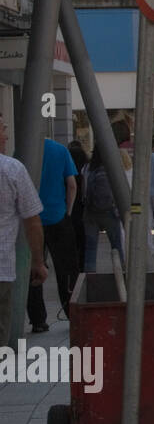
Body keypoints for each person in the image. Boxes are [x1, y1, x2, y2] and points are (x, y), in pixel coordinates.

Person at [0, 114, 47, 360]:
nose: (6, 135)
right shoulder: (12, 169)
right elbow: (32, 220)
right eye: (3, 129)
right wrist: (38, 262)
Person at [25, 138, 77, 333]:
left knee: (34, 267)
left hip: (31, 218)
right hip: (57, 216)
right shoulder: (60, 150)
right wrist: (68, 211)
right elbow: (71, 184)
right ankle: (71, 311)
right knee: (66, 268)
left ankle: (38, 320)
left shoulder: (24, 148)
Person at [82, 144, 124, 273]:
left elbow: (83, 190)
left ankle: (90, 274)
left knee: (90, 246)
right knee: (116, 245)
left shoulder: (87, 168)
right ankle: (121, 272)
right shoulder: (112, 169)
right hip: (110, 212)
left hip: (90, 212)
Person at [67, 139, 87, 275]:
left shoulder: (67, 173)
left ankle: (72, 265)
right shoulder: (86, 171)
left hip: (70, 209)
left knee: (71, 241)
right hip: (83, 208)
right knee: (83, 240)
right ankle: (82, 265)